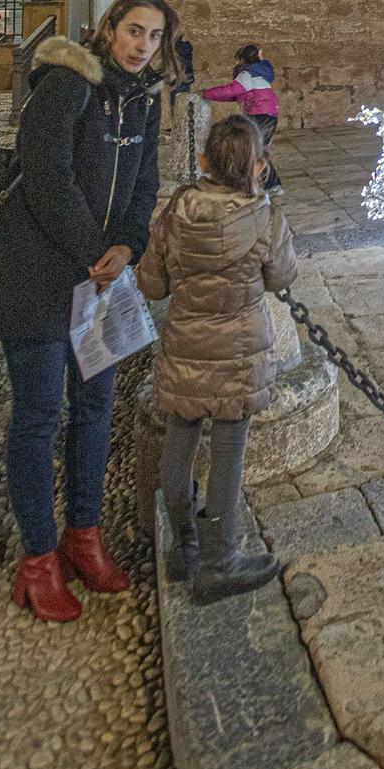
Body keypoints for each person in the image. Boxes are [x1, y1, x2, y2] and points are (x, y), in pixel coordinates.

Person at [0, 0, 180, 622]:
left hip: (100, 281)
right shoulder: (66, 86)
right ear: (109, 27)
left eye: (154, 36)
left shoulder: (142, 102)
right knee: (38, 418)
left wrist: (128, 243)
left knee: (94, 413)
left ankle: (83, 536)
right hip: (38, 276)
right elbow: (45, 178)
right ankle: (38, 559)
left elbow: (143, 180)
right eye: (134, 30)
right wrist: (98, 248)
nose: (143, 45)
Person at [137, 115, 297, 604]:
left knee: (180, 438)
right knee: (229, 447)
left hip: (185, 346)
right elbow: (281, 277)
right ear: (259, 166)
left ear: (203, 162)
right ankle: (220, 559)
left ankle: (181, 546)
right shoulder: (266, 217)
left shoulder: (177, 211)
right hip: (239, 353)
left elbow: (152, 283)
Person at [203, 44, 281, 190]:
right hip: (267, 114)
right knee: (257, 149)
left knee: (255, 149)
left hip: (259, 114)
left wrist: (205, 93)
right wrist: (211, 96)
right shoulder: (259, 72)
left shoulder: (248, 74)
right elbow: (236, 95)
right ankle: (268, 184)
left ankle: (270, 184)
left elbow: (231, 90)